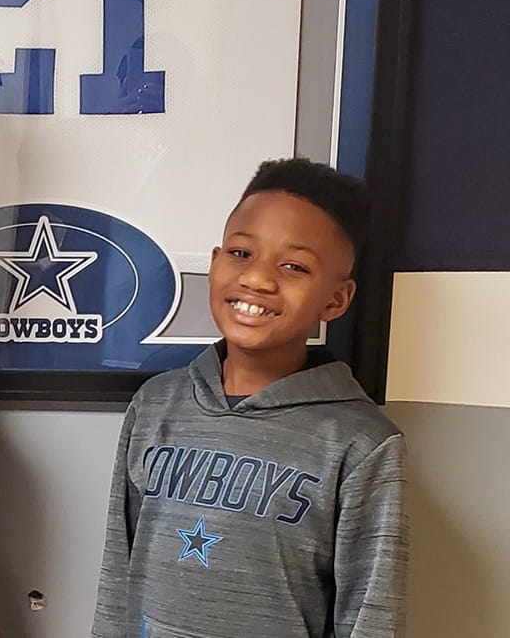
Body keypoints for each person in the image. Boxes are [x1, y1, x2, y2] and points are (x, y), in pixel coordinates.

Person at [92, 157, 407, 638]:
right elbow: (118, 572)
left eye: (294, 266)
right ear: (214, 263)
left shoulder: (361, 443)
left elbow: (371, 616)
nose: (257, 279)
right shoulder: (155, 405)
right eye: (242, 253)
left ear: (336, 299)